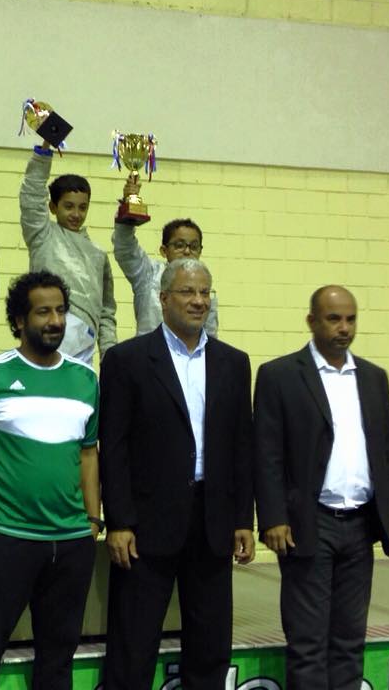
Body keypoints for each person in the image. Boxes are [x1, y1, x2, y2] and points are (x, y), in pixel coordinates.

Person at [99, 257, 254, 690]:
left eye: (205, 292)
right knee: (133, 645)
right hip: (145, 526)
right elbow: (114, 447)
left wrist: (243, 519)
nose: (198, 300)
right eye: (188, 292)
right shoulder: (126, 360)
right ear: (163, 298)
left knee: (210, 646)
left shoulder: (233, 362)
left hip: (213, 521)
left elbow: (242, 446)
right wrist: (119, 521)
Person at [253, 285, 389, 690]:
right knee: (307, 642)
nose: (344, 328)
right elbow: (266, 454)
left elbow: (386, 452)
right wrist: (273, 517)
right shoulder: (280, 375)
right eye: (334, 319)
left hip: (361, 525)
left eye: (351, 319)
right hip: (308, 523)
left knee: (350, 641)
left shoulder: (372, 378)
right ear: (311, 321)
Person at [0, 271, 101, 690]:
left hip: (71, 541)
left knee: (58, 662)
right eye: (43, 312)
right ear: (19, 320)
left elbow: (88, 454)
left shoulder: (85, 379)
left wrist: (92, 522)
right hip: (8, 538)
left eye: (61, 311)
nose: (55, 321)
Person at [19, 141, 116, 363]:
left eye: (83, 207)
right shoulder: (42, 234)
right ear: (53, 207)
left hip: (86, 341)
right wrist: (43, 153)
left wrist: (109, 351)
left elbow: (106, 310)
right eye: (68, 206)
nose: (76, 214)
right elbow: (31, 197)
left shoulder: (98, 254)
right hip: (49, 330)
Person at [112, 174, 218, 337]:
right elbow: (125, 247)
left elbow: (210, 336)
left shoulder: (205, 287)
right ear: (164, 250)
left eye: (193, 247)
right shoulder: (148, 274)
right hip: (149, 352)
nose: (187, 251)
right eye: (179, 245)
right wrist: (128, 204)